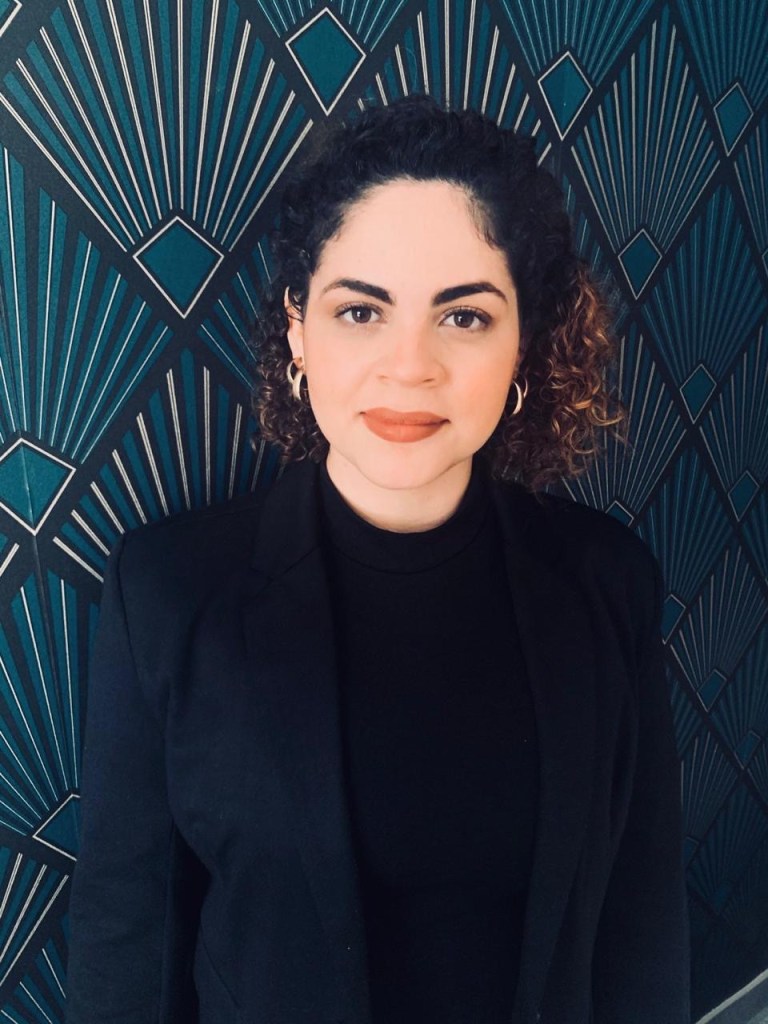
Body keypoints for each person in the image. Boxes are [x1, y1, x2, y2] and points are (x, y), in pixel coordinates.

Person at [65, 95, 690, 1024]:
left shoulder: (610, 581)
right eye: (361, 311)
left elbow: (641, 925)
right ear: (297, 331)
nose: (410, 366)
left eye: (464, 317)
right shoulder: (165, 594)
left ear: (523, 343)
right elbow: (127, 940)